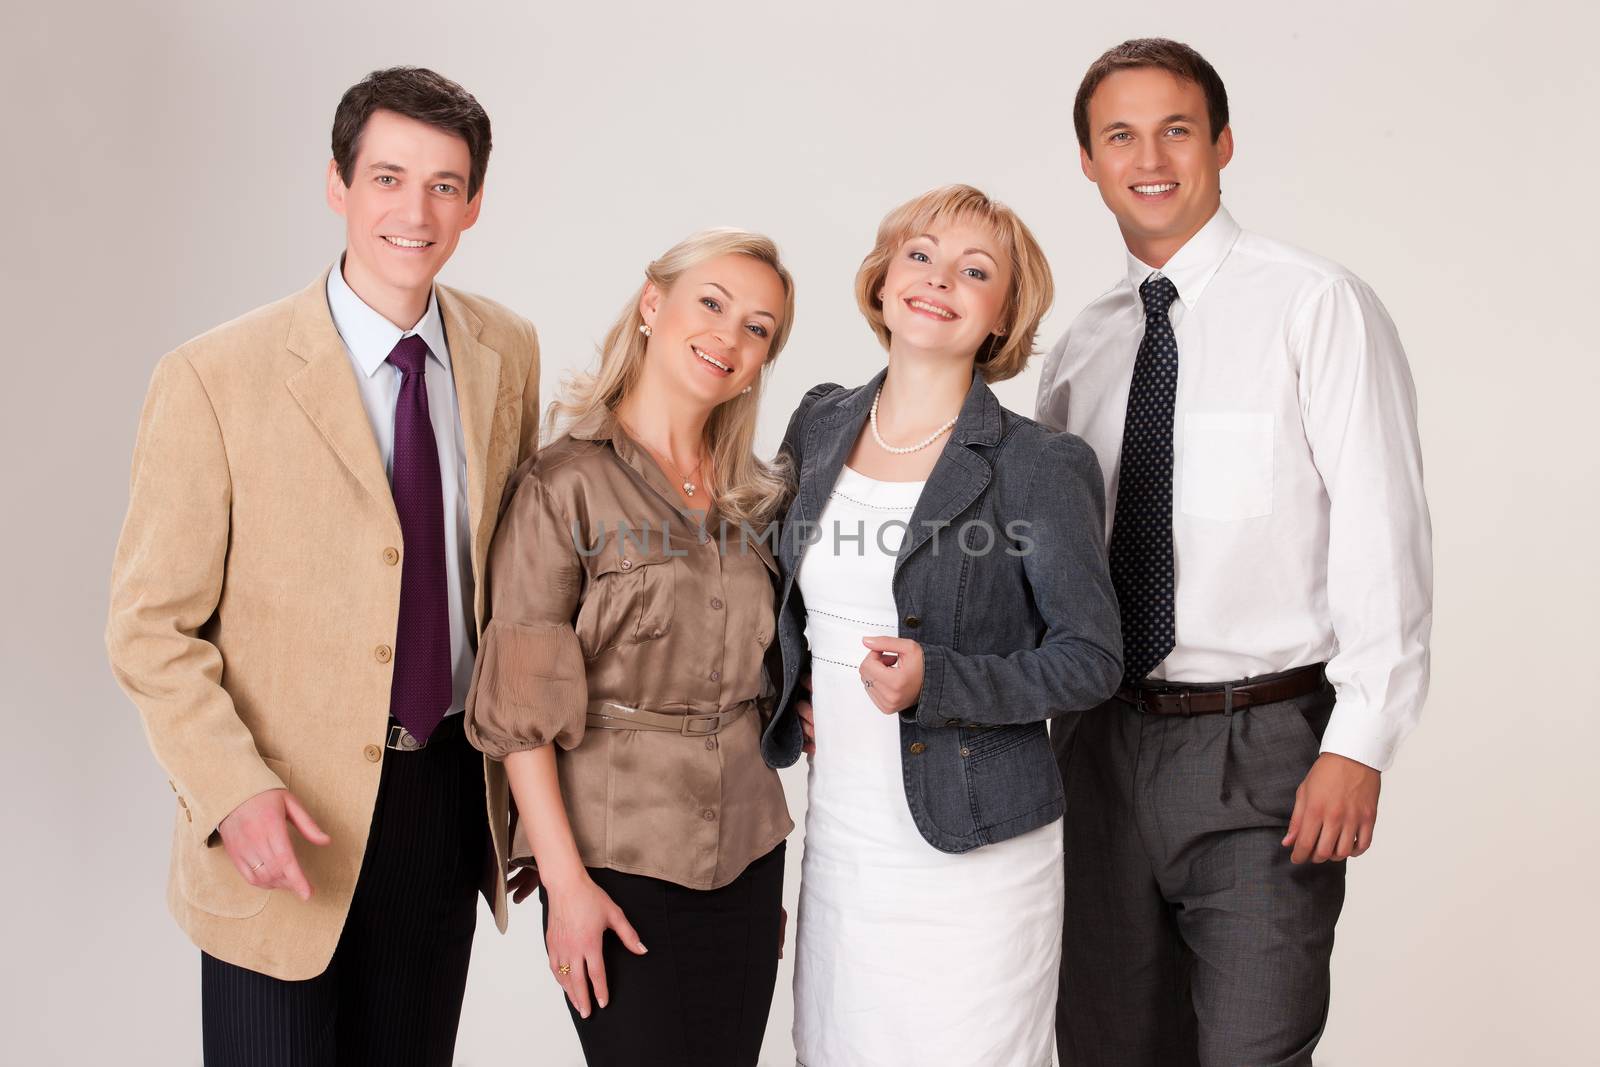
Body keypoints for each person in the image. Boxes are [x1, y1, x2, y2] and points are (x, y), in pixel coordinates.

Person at [105, 67, 541, 1065]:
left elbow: (510, 579)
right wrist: (230, 790)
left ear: (474, 203)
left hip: (446, 800)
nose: (414, 210)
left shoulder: (504, 351)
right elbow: (149, 625)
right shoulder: (214, 376)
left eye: (443, 183)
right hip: (286, 813)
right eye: (388, 177)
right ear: (337, 185)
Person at [1037, 38, 1433, 1067]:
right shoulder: (1080, 348)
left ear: (1220, 142)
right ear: (1086, 160)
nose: (1149, 155)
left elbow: (1382, 528)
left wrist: (1359, 741)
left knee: (1254, 1048)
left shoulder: (1315, 305)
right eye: (1118, 134)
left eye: (1175, 127)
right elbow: (1052, 562)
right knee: (1108, 1045)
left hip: (1262, 748)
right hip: (1095, 747)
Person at [763, 185, 1123, 1066]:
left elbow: (1092, 659)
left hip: (980, 854)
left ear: (1002, 316)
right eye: (919, 256)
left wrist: (942, 680)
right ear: (883, 280)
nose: (938, 281)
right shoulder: (819, 421)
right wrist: (792, 681)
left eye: (975, 271)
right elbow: (774, 591)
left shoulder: (1040, 463)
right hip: (845, 833)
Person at [464, 229, 796, 1067]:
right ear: (654, 305)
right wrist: (566, 885)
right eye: (712, 304)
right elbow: (521, 718)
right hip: (615, 861)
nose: (729, 336)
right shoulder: (562, 483)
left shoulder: (756, 496)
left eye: (758, 327)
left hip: (750, 856)